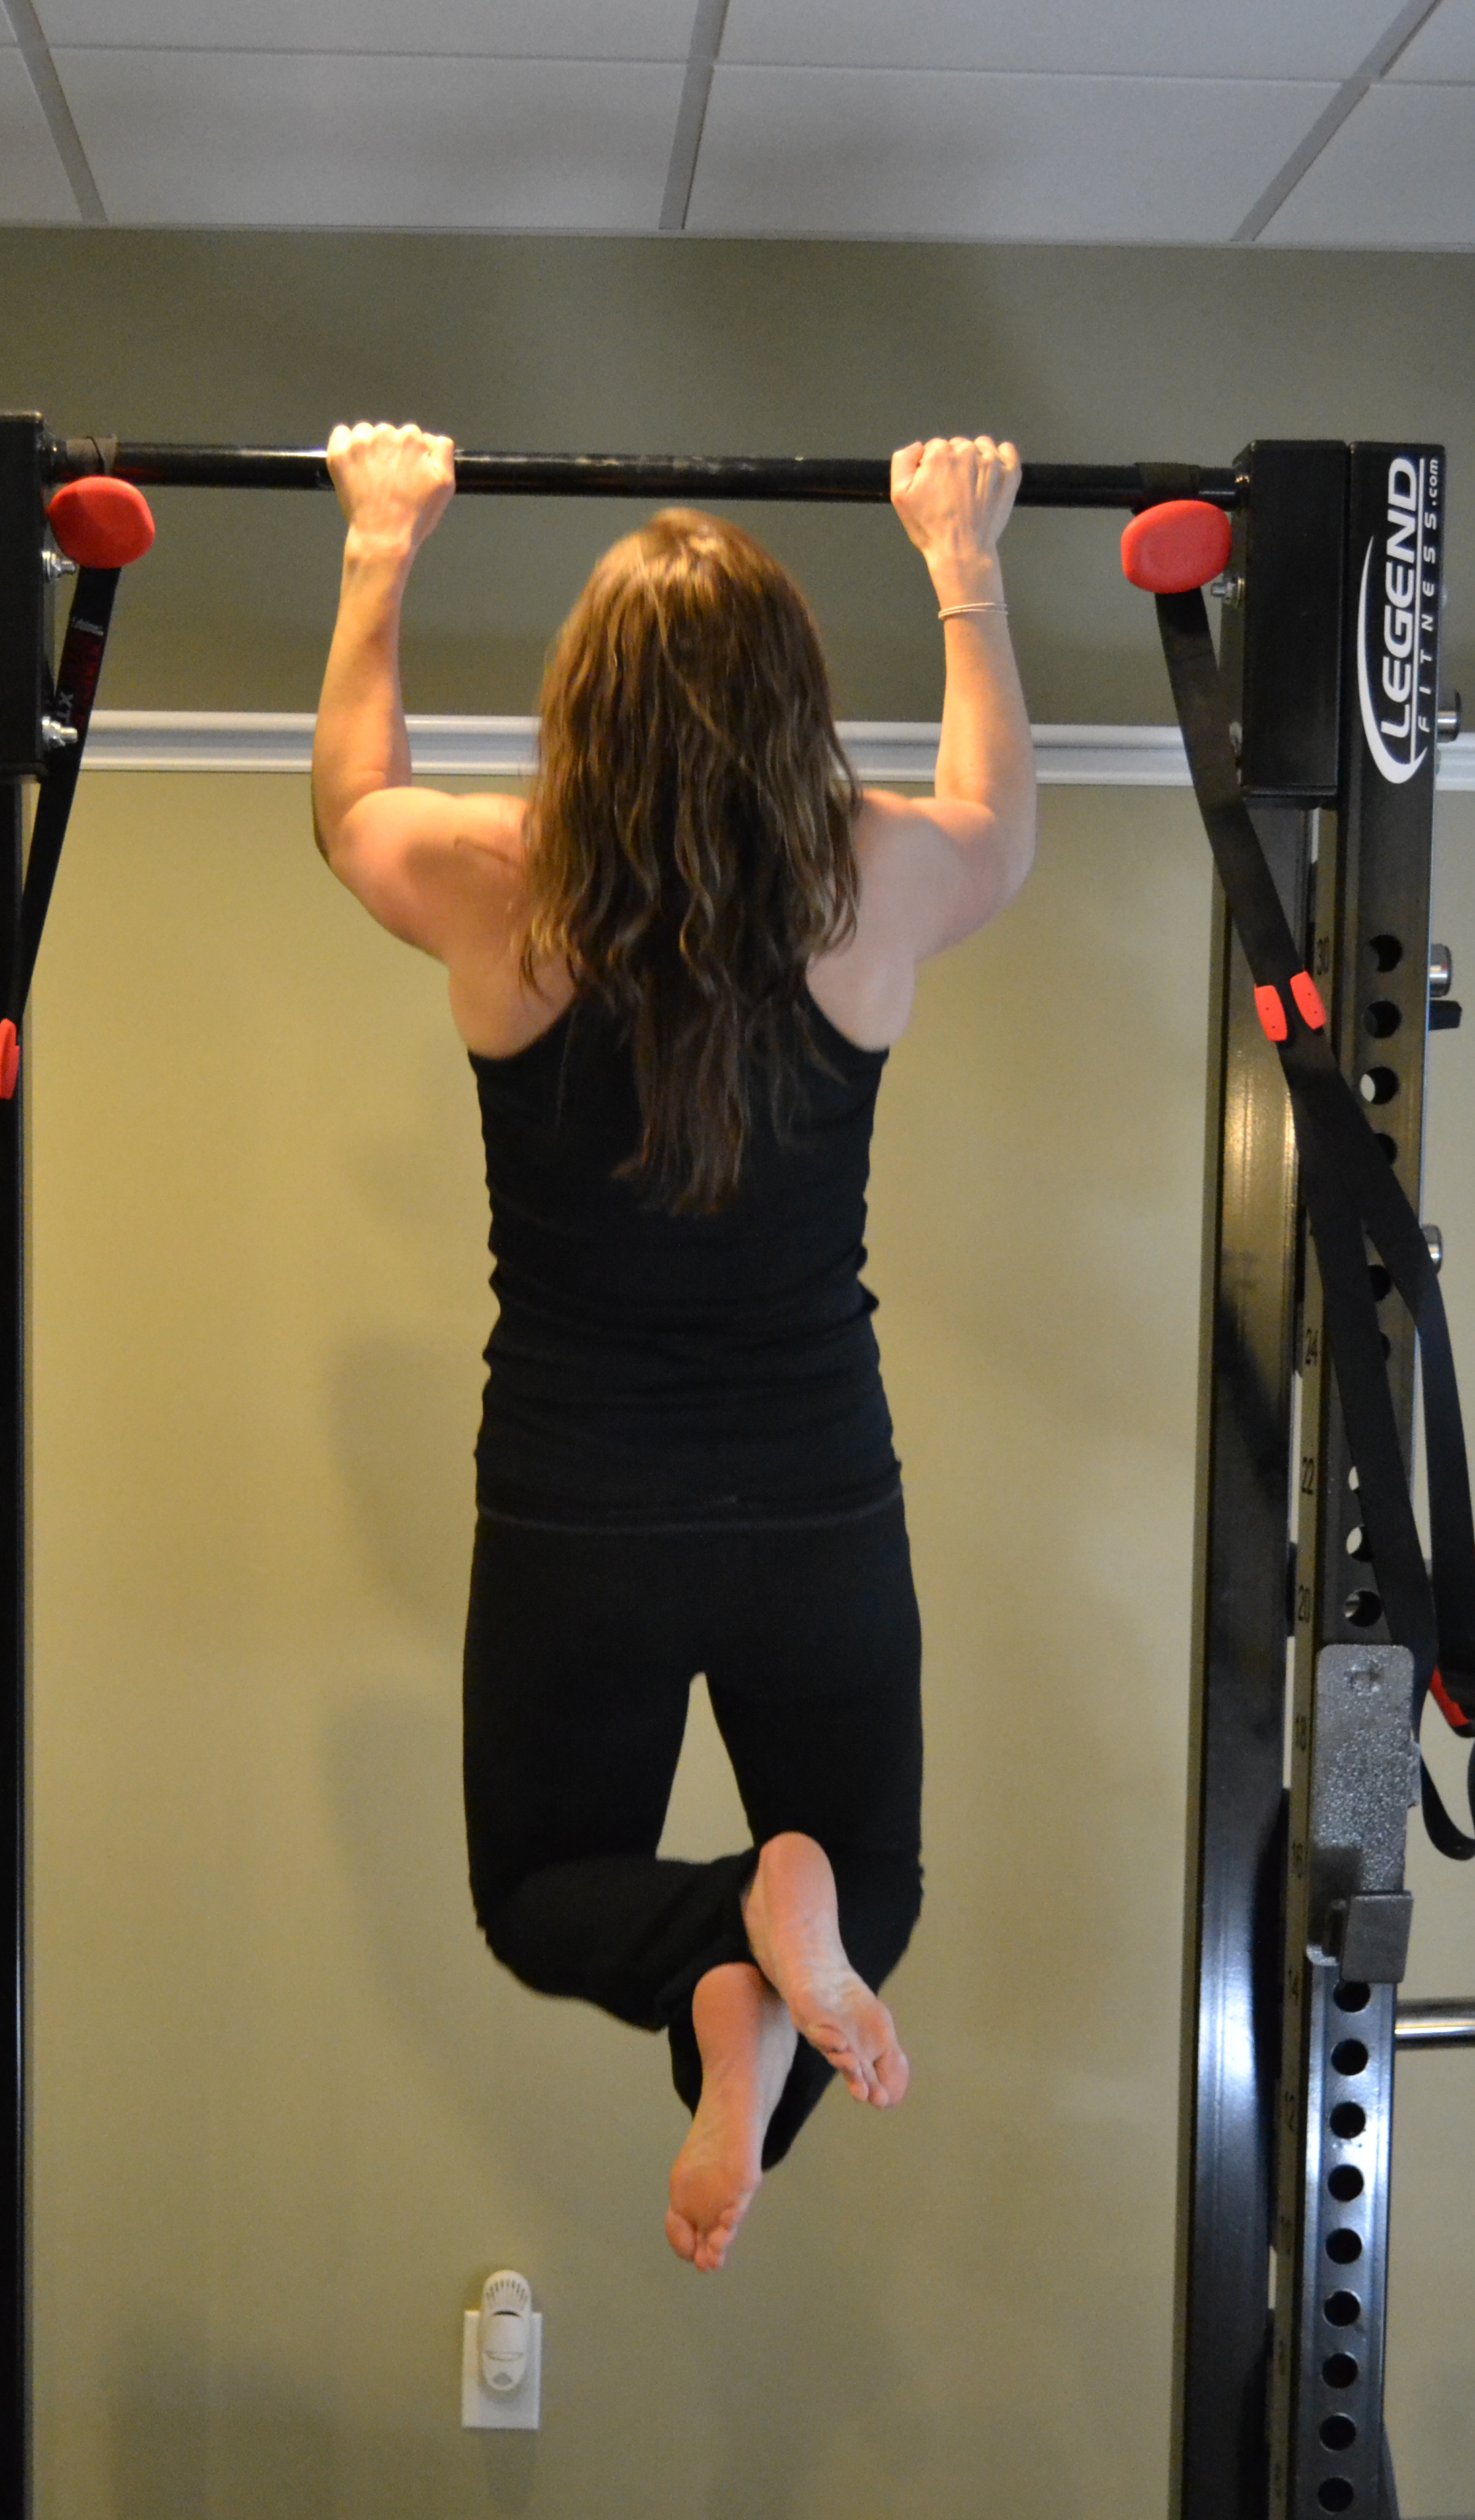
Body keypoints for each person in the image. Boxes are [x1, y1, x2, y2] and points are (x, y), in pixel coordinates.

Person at [313, 422, 1034, 2272]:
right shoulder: (871, 883)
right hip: (813, 1499)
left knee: (542, 1896)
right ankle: (766, 1951)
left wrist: (382, 544)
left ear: (583, 709)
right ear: (797, 707)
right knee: (871, 1882)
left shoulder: (501, 882)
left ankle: (733, 1965)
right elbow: (1001, 826)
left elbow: (347, 801)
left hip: (580, 1509)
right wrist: (963, 559)